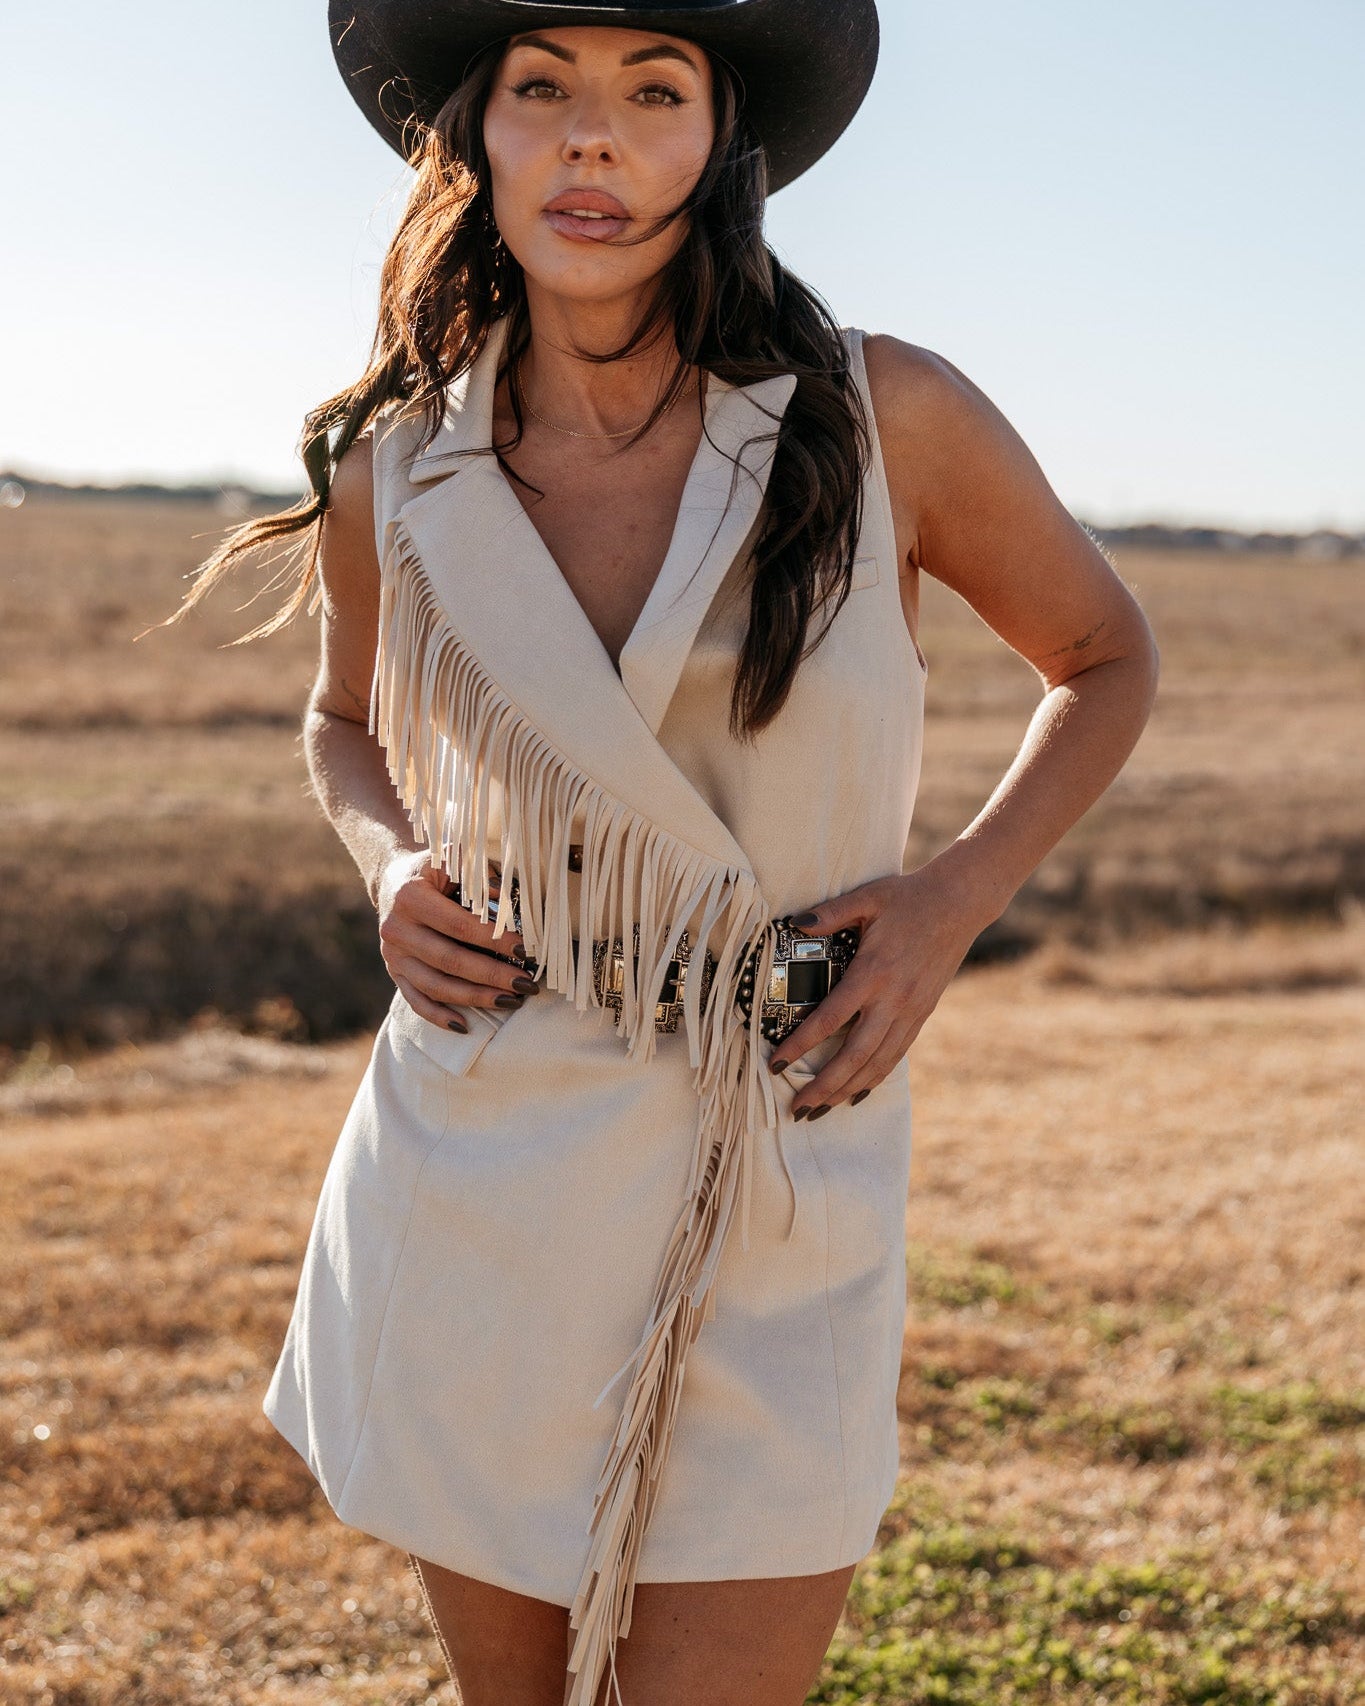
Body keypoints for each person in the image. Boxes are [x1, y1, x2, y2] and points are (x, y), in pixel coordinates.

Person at [164, 3, 1159, 1701]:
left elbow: (1103, 657)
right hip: (483, 1162)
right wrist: (392, 868)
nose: (594, 139)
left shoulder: (879, 411)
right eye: (541, 89)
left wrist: (945, 902)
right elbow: (341, 724)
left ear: (721, 139)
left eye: (652, 91)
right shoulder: (398, 463)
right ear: (474, 134)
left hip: (781, 1143)